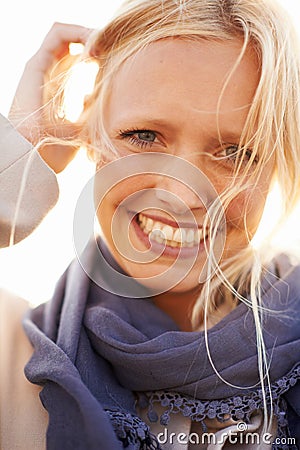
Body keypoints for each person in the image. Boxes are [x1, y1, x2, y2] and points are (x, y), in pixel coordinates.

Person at [1, 1, 300, 449]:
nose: (180, 195)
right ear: (89, 136)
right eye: (143, 136)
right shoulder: (9, 358)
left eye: (236, 153)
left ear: (277, 165)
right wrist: (17, 165)